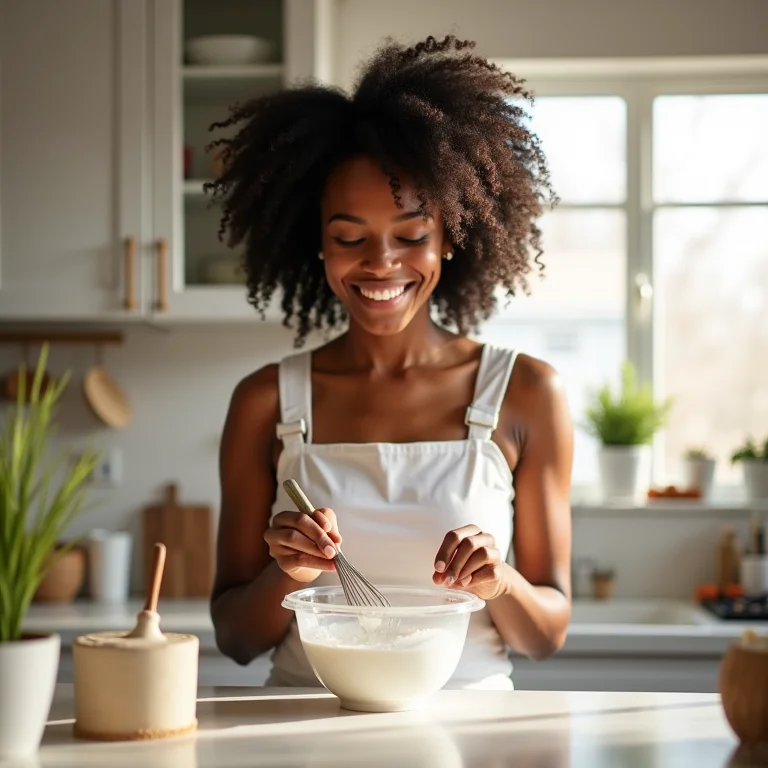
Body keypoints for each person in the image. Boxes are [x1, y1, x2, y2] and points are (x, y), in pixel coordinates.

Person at [208, 34, 573, 690]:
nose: (381, 264)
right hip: (303, 731)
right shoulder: (266, 401)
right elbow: (235, 639)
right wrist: (287, 573)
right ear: (315, 243)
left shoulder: (525, 394)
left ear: (451, 239)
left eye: (410, 236)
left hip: (473, 738)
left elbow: (546, 636)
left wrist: (500, 580)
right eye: (350, 238)